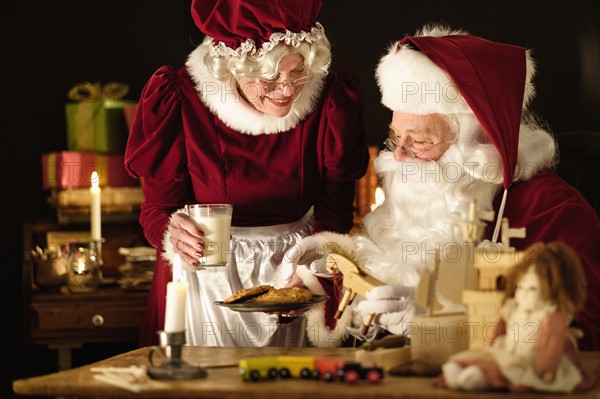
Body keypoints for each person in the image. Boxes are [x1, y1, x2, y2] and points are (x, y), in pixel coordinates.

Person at [281, 24, 600, 351]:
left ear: (477, 142)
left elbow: (580, 334)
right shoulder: (426, 190)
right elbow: (388, 276)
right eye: (396, 137)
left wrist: (442, 324)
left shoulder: (553, 213)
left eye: (419, 140)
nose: (400, 155)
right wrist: (325, 277)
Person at [124, 0, 369, 347]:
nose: (285, 91)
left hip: (295, 273)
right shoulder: (179, 99)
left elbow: (336, 212)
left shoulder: (330, 101)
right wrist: (173, 233)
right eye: (268, 79)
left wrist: (310, 273)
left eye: (297, 72)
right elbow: (156, 212)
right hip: (203, 279)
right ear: (232, 69)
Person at [437, 242, 595, 393]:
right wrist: (489, 349)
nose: (523, 294)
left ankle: (480, 377)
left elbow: (552, 344)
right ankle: (462, 369)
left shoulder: (550, 316)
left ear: (553, 291)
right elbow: (498, 330)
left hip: (531, 360)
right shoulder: (513, 309)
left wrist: (546, 370)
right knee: (481, 359)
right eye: (520, 287)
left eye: (532, 289)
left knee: (507, 372)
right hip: (508, 352)